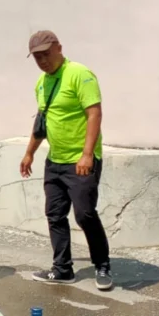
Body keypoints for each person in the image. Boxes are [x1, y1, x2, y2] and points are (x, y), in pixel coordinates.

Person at [19, 30, 113, 290]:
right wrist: (30, 153)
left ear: (59, 47)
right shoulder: (42, 83)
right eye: (37, 57)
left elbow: (94, 114)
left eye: (46, 54)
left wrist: (86, 155)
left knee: (84, 214)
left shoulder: (80, 74)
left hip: (80, 161)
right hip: (55, 161)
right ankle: (62, 269)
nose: (42, 61)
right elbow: (42, 121)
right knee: (55, 214)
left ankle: (102, 264)